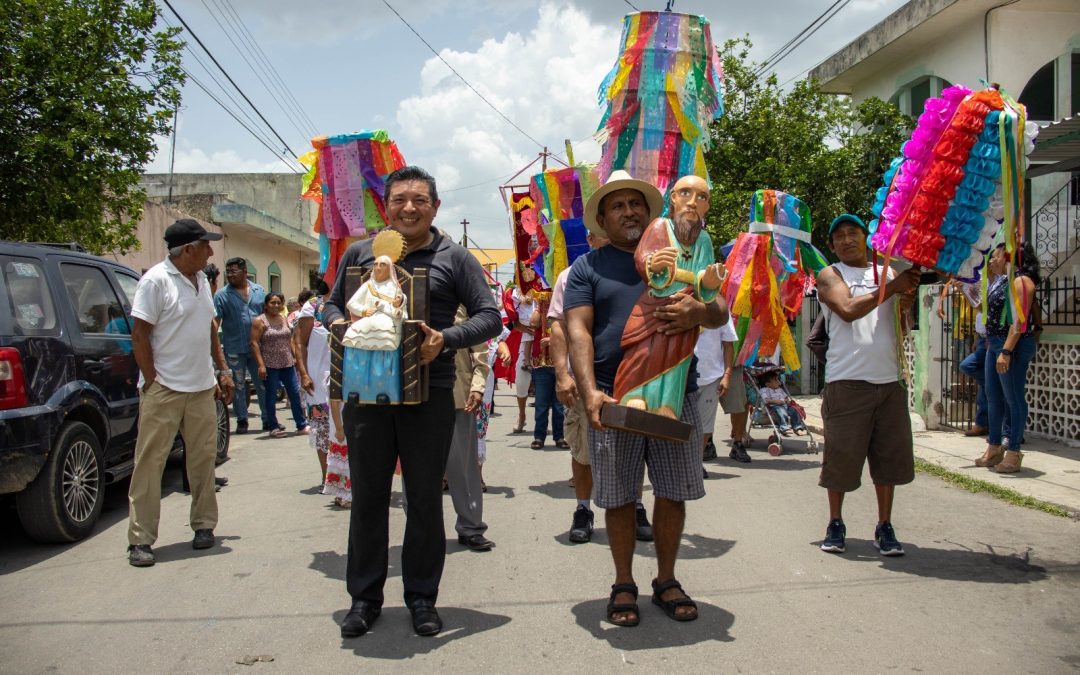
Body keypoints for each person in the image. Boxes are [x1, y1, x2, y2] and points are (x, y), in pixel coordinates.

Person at [321, 165, 501, 639]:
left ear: (434, 207)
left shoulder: (455, 258)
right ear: (386, 206)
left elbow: (491, 317)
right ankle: (364, 599)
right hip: (369, 393)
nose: (409, 207)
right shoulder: (361, 254)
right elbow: (330, 304)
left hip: (430, 395)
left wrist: (445, 339)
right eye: (399, 199)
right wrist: (341, 326)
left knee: (423, 500)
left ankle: (422, 598)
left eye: (419, 199)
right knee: (369, 499)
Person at [565, 170, 727, 627]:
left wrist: (700, 308)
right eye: (617, 206)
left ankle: (667, 578)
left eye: (636, 203)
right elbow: (576, 329)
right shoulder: (587, 268)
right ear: (602, 218)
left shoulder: (689, 247)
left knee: (674, 491)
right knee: (618, 495)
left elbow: (719, 310)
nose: (629, 211)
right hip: (613, 395)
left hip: (680, 389)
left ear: (651, 209)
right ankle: (623, 582)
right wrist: (588, 390)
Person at [126, 219, 235, 567]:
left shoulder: (201, 280)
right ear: (187, 249)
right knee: (150, 464)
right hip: (165, 389)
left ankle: (204, 525)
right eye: (205, 245)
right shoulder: (156, 281)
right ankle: (140, 540)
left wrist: (222, 371)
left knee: (203, 461)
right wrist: (153, 380)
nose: (211, 250)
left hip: (202, 388)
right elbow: (140, 335)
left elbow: (210, 329)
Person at [815, 214, 920, 557]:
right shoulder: (831, 275)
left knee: (888, 461)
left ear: (867, 237)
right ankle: (835, 521)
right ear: (832, 245)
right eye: (840, 236)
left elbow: (900, 320)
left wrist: (905, 298)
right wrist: (895, 286)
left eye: (853, 234)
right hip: (846, 383)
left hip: (888, 381)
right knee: (840, 461)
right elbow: (847, 309)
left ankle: (885, 525)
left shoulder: (888, 271)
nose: (847, 240)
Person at [612, 175, 726, 419]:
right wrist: (653, 263)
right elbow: (643, 257)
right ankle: (635, 395)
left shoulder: (704, 240)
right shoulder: (659, 226)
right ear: (673, 198)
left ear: (707, 206)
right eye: (685, 193)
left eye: (701, 197)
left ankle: (667, 405)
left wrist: (709, 281)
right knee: (645, 352)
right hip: (655, 303)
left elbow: (703, 279)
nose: (693, 202)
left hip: (685, 308)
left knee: (678, 359)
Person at [976, 242, 1041, 474]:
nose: (992, 261)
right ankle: (994, 447)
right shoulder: (1002, 281)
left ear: (1009, 257)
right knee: (993, 397)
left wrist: (1006, 351)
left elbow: (1019, 322)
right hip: (995, 343)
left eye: (996, 256)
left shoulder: (1021, 282)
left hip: (1010, 346)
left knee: (1013, 398)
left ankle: (1014, 450)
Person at [445, 306, 494, 551]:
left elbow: (481, 353)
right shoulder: (406, 293)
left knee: (463, 466)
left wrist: (477, 386)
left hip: (458, 394)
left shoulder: (464, 304)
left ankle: (471, 526)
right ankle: (420, 529)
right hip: (416, 397)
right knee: (418, 469)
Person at [214, 258, 268, 435]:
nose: (229, 275)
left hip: (257, 348)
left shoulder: (259, 291)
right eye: (227, 272)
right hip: (234, 347)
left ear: (245, 272)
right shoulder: (222, 295)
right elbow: (215, 322)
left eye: (233, 271)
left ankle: (268, 418)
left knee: (261, 383)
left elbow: (267, 316)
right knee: (237, 385)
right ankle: (242, 420)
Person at [250, 292, 308, 438]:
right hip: (270, 364)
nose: (276, 305)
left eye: (278, 303)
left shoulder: (283, 319)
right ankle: (273, 426)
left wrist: (295, 357)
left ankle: (301, 424)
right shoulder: (260, 321)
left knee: (295, 394)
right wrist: (261, 365)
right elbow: (254, 343)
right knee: (271, 397)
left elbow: (290, 340)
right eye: (272, 303)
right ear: (266, 305)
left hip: (287, 363)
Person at [295, 281, 332, 488]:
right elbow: (299, 342)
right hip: (317, 382)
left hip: (348, 378)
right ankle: (327, 477)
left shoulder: (354, 300)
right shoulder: (312, 306)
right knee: (322, 430)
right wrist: (303, 373)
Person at [694, 318, 739, 473]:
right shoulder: (681, 303)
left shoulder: (720, 311)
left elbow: (728, 345)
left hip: (712, 378)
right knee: (680, 424)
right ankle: (681, 463)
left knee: (705, 425)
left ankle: (696, 463)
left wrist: (726, 376)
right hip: (683, 377)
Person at [530, 308, 566, 450]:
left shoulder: (565, 304)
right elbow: (533, 323)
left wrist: (553, 340)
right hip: (541, 364)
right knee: (541, 404)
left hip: (560, 362)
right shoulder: (540, 305)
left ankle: (559, 437)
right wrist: (540, 305)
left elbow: (571, 328)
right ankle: (539, 437)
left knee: (559, 405)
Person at [758, 371, 806, 436]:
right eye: (775, 380)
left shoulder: (780, 389)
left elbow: (786, 397)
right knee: (781, 410)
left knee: (794, 410)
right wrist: (775, 401)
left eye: (778, 379)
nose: (778, 381)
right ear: (768, 384)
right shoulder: (764, 390)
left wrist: (787, 400)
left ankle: (797, 427)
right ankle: (784, 428)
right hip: (772, 407)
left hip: (784, 406)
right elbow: (765, 400)